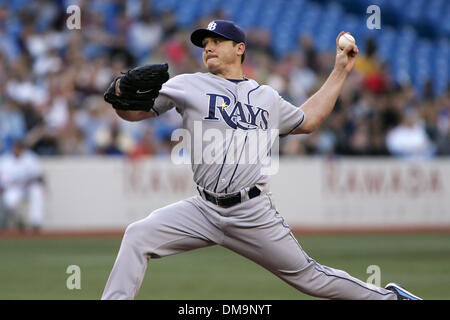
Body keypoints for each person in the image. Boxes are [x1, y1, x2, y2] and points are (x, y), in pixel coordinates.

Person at [101, 20, 421, 300]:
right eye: (204, 44)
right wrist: (118, 94)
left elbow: (308, 119)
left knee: (310, 278)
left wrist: (340, 70)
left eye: (216, 42)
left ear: (239, 48)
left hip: (251, 211)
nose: (208, 48)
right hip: (202, 208)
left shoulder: (267, 97)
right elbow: (134, 112)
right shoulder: (187, 84)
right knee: (138, 235)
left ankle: (389, 299)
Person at [0, 140, 45, 232]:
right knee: (9, 202)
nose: (18, 150)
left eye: (20, 148)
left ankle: (36, 223)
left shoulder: (30, 158)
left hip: (27, 187)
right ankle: (19, 221)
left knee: (37, 190)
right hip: (12, 189)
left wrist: (34, 181)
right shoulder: (5, 160)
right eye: (16, 147)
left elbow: (39, 176)